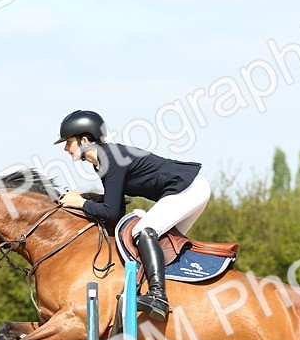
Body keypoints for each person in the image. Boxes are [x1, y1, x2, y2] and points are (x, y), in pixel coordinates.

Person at [53, 109, 210, 321]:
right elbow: (116, 208)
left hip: (188, 188)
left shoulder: (110, 158)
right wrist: (84, 198)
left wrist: (81, 203)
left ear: (85, 140)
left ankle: (158, 297)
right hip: (188, 188)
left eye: (68, 142)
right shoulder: (103, 161)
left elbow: (111, 212)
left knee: (143, 231)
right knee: (160, 247)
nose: (65, 148)